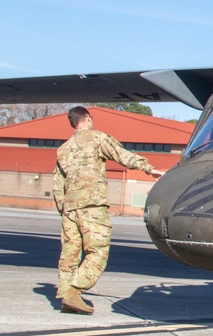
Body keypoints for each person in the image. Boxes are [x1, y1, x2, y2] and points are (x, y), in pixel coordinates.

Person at [53, 106, 164, 314]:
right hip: (91, 205)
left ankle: (65, 291)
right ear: (87, 118)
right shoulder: (96, 138)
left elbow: (57, 184)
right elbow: (121, 155)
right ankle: (75, 291)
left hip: (70, 208)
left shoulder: (64, 149)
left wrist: (64, 209)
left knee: (70, 251)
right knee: (98, 250)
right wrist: (148, 168)